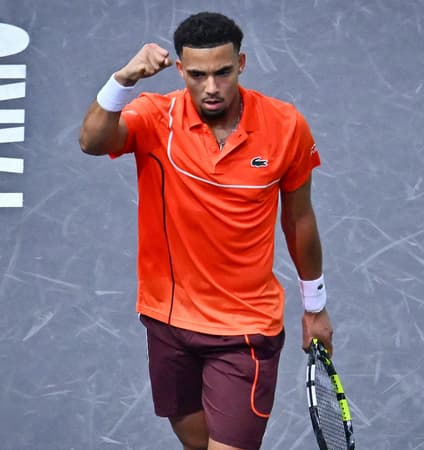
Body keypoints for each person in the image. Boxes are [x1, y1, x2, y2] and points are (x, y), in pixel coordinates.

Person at [79, 11, 334, 450]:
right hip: (168, 319)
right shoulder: (156, 118)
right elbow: (93, 141)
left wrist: (316, 305)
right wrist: (122, 80)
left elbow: (299, 218)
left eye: (223, 72)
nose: (211, 88)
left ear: (242, 64)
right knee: (195, 442)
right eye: (197, 75)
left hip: (246, 328)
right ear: (180, 70)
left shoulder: (285, 125)